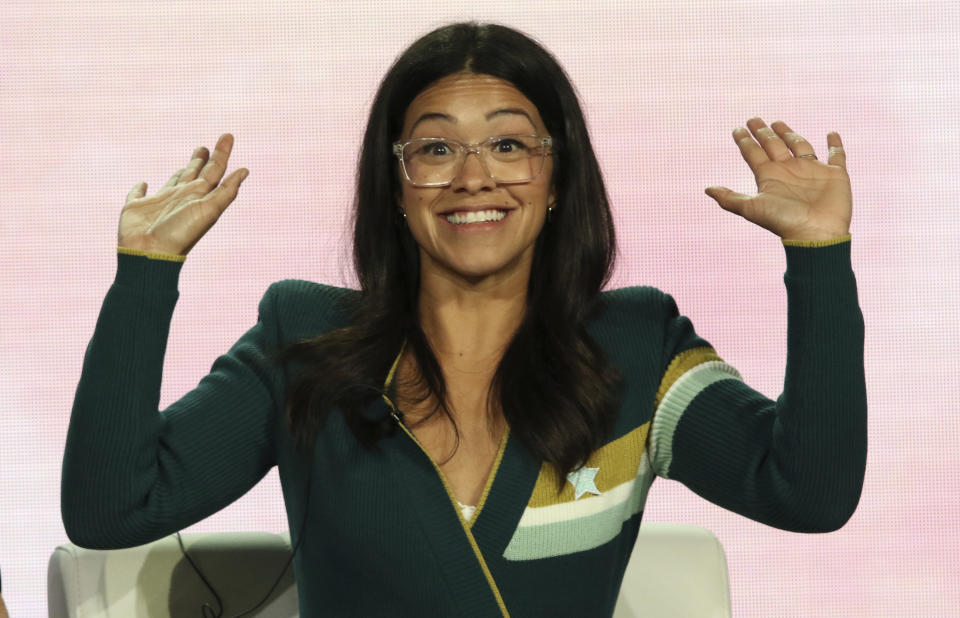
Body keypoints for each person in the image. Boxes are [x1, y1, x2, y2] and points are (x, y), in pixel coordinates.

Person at [62, 22, 865, 618]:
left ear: (556, 179)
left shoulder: (636, 347)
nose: (474, 176)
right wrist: (146, 275)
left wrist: (820, 254)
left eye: (511, 145)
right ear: (399, 186)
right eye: (435, 150)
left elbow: (809, 493)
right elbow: (112, 511)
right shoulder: (302, 338)